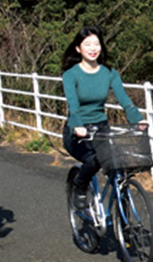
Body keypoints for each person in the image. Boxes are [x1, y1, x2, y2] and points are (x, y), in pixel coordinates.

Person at [61, 26, 147, 208]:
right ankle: (79, 185)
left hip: (101, 128)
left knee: (118, 163)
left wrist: (137, 119)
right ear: (78, 48)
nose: (93, 48)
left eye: (96, 44)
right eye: (88, 44)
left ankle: (121, 207)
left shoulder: (109, 72)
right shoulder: (71, 74)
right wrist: (77, 125)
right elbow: (73, 105)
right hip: (77, 131)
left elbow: (124, 99)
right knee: (94, 159)